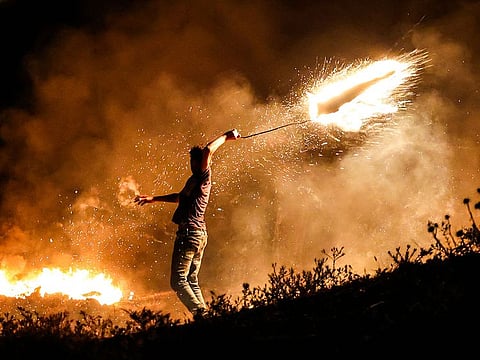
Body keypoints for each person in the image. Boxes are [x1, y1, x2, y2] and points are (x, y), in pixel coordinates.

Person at [134, 129, 241, 319]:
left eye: (193, 162)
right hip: (197, 234)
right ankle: (206, 316)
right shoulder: (194, 180)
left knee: (178, 281)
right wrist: (153, 199)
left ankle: (202, 316)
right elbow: (179, 197)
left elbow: (208, 150)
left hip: (190, 234)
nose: (191, 165)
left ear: (197, 163)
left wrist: (226, 136)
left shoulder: (204, 175)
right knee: (191, 279)